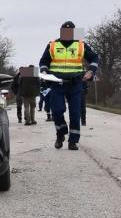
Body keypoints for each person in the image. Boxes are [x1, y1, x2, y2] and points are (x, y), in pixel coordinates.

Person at [39, 21, 100, 150]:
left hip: (75, 83)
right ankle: (60, 134)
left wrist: (91, 71)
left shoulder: (81, 45)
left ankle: (73, 141)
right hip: (57, 83)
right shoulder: (52, 45)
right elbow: (43, 61)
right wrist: (44, 70)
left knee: (75, 113)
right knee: (56, 111)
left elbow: (94, 58)